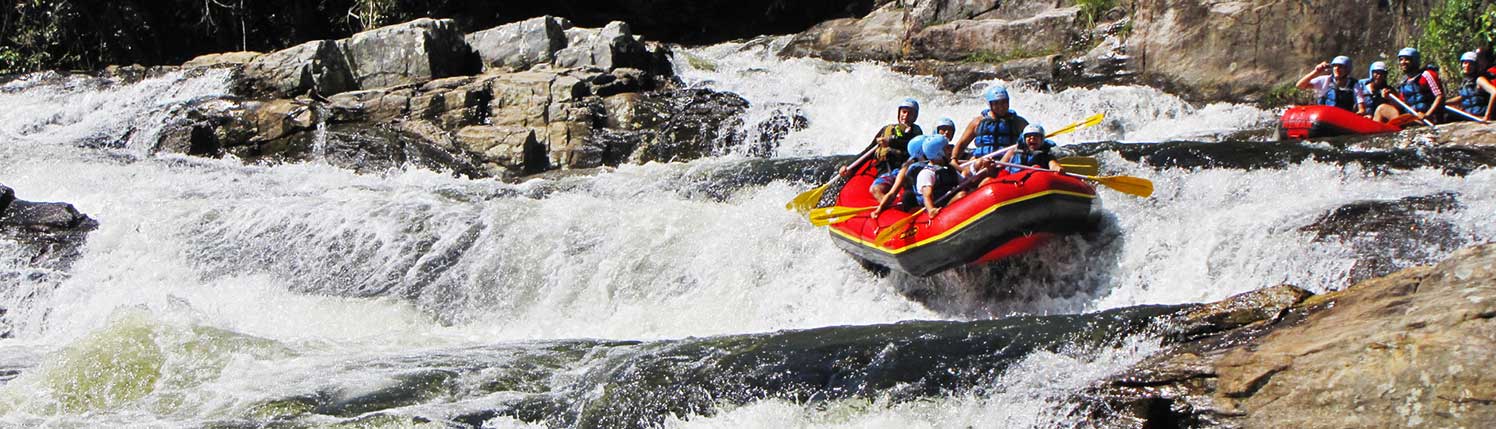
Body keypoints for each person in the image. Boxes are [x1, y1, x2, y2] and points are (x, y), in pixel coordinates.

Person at [848, 98, 924, 201]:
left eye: (909, 113)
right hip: (885, 170)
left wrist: (891, 142)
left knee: (907, 195)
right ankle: (887, 206)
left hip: (904, 171)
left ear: (914, 117)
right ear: (899, 113)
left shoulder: (916, 132)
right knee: (876, 189)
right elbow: (868, 152)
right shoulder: (886, 130)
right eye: (904, 112)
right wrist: (850, 168)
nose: (905, 116)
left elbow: (910, 145)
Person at [953, 85, 1029, 162]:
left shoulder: (1019, 122)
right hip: (983, 160)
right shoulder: (978, 122)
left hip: (1008, 162)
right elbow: (962, 143)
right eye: (996, 103)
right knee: (968, 170)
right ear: (990, 104)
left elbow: (1035, 140)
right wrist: (954, 159)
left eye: (1004, 102)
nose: (1001, 107)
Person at [1378, 47, 1444, 124]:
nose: (1403, 62)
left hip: (1427, 117)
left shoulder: (1427, 75)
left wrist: (1427, 114)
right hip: (1411, 117)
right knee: (1382, 108)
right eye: (1401, 59)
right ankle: (1374, 133)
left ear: (1415, 61)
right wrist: (1389, 98)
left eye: (1407, 59)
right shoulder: (1404, 82)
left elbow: (1439, 96)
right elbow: (1402, 105)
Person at [871, 136, 931, 218]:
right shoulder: (907, 168)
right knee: (908, 196)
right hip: (917, 199)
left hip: (935, 196)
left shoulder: (939, 158)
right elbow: (892, 193)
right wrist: (879, 209)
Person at [915, 134, 964, 218]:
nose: (950, 150)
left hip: (952, 200)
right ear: (938, 153)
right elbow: (927, 195)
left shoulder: (948, 168)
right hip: (941, 207)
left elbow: (964, 182)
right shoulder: (927, 173)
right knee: (961, 195)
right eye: (947, 148)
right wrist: (931, 210)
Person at [1445, 51, 1495, 122]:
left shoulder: (1480, 80)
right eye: (1465, 63)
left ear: (1475, 66)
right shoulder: (1466, 81)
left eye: (1470, 64)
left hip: (1479, 114)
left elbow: (1494, 92)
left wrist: (1487, 115)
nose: (1467, 66)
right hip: (1469, 115)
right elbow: (1464, 97)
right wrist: (1445, 102)